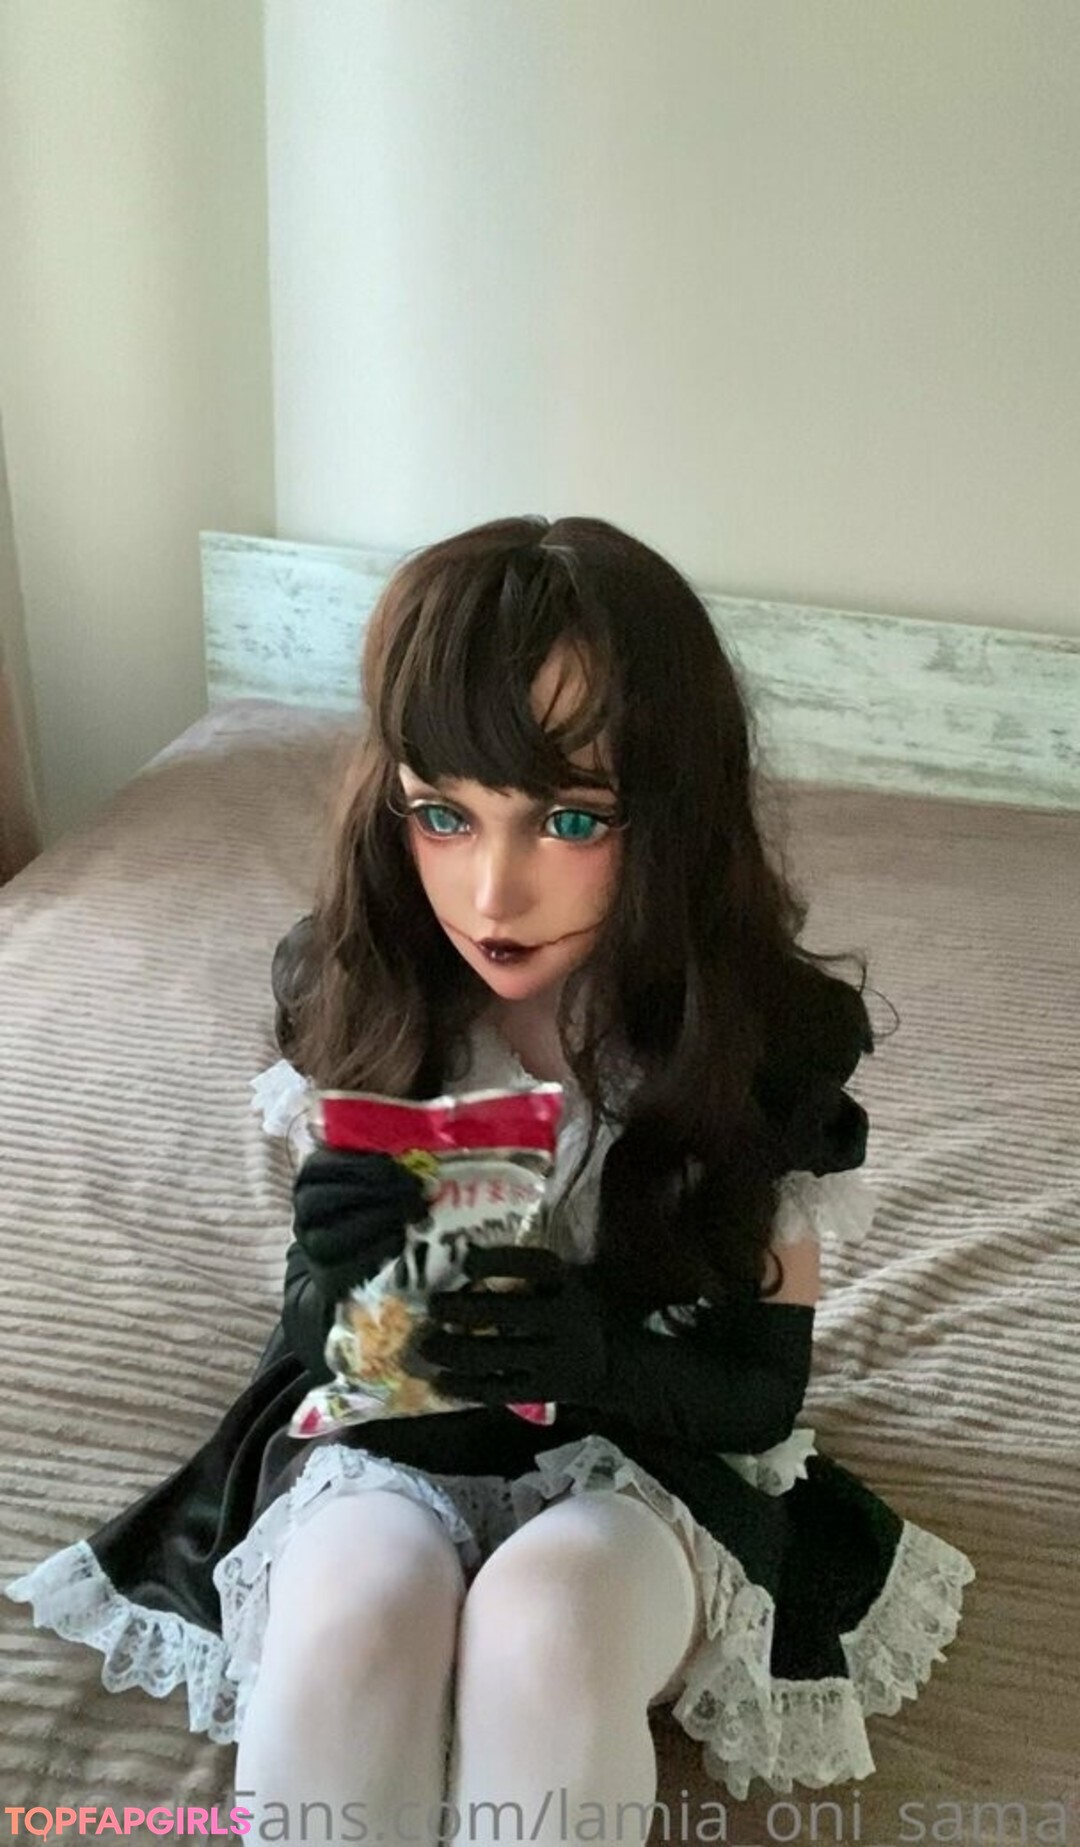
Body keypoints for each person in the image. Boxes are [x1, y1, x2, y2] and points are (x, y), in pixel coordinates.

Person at [6, 515, 975, 1838]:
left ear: (673, 812)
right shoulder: (362, 986)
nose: (492, 893)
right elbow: (320, 1342)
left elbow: (759, 1391)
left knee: (547, 1629)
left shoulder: (761, 1046)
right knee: (348, 1622)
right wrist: (335, 1273)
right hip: (390, 1441)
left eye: (571, 818)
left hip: (642, 1454)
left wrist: (601, 1357)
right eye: (443, 814)